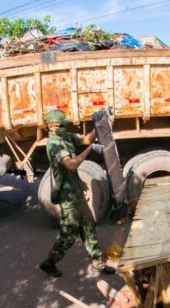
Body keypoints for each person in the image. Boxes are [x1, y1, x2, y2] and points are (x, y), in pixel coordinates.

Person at [39, 109, 115, 278]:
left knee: (89, 226)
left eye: (63, 124)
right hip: (68, 198)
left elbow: (87, 138)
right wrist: (90, 150)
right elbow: (71, 165)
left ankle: (97, 262)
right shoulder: (54, 144)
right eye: (59, 125)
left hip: (77, 192)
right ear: (50, 126)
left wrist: (101, 123)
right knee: (69, 235)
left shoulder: (65, 137)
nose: (62, 127)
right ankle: (49, 263)